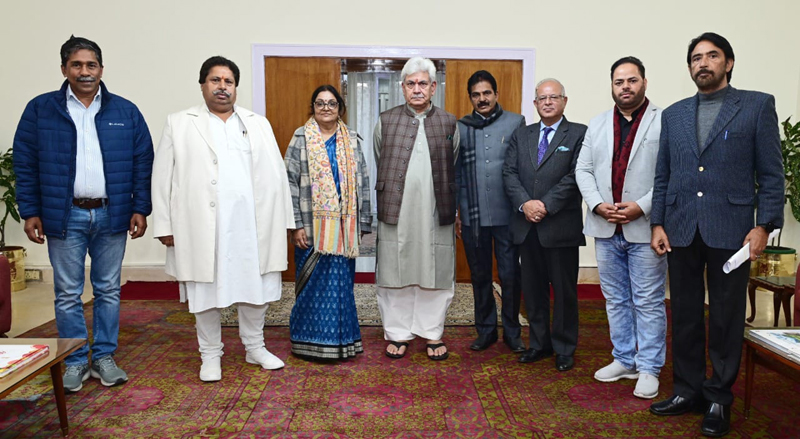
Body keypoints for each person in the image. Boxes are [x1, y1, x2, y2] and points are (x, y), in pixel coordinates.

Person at [649, 33, 784, 437]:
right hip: (681, 228)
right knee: (685, 315)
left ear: (729, 63)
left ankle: (718, 399)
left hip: (733, 231)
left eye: (712, 56)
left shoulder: (757, 105)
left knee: (725, 318)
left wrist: (764, 226)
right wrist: (658, 222)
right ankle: (687, 391)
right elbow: (663, 174)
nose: (703, 63)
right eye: (696, 58)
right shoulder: (674, 114)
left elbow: (772, 174)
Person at [13, 36, 153, 392]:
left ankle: (104, 356)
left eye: (91, 65)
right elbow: (25, 163)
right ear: (64, 69)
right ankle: (75, 359)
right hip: (64, 215)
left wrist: (140, 207)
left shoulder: (126, 112)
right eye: (77, 65)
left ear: (101, 69)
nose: (85, 71)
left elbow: (142, 162)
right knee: (67, 292)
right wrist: (30, 211)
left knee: (108, 289)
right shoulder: (40, 110)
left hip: (112, 214)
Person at [151, 56, 295, 382]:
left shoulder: (257, 123)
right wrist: (164, 225)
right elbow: (162, 177)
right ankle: (210, 354)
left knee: (256, 288)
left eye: (228, 81)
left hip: (251, 226)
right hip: (201, 227)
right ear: (203, 85)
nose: (222, 87)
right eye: (215, 80)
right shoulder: (180, 123)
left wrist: (285, 221)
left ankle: (255, 347)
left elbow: (277, 175)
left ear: (235, 87)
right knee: (204, 291)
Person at [576, 56, 667, 399]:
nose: (625, 87)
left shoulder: (663, 121)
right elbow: (583, 170)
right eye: (619, 81)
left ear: (644, 82)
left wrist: (641, 206)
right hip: (605, 226)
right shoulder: (598, 123)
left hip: (644, 227)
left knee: (647, 301)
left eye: (631, 80)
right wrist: (597, 204)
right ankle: (624, 359)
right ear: (612, 86)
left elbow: (670, 173)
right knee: (615, 299)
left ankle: (649, 367)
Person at [373, 57, 460, 361]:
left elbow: (454, 162)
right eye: (411, 84)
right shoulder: (386, 120)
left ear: (433, 87)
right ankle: (398, 332)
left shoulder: (449, 122)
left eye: (423, 83)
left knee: (435, 271)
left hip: (435, 211)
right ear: (402, 88)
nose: (417, 89)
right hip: (396, 209)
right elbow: (379, 156)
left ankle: (432, 332)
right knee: (394, 271)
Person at [503, 78, 586, 372]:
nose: (548, 102)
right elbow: (509, 173)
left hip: (560, 227)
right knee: (533, 290)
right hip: (527, 227)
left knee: (564, 292)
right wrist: (525, 204)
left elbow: (577, 176)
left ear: (564, 101)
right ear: (535, 103)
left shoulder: (579, 134)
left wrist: (545, 205)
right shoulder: (521, 134)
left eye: (554, 97)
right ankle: (539, 343)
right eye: (542, 98)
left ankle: (564, 347)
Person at [284, 85, 372, 360]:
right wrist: (296, 224)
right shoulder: (300, 138)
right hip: (310, 229)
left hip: (344, 229)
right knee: (311, 287)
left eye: (331, 103)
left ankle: (341, 342)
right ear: (312, 107)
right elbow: (288, 183)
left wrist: (363, 222)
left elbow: (363, 181)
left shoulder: (352, 139)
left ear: (340, 109)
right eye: (320, 103)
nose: (326, 108)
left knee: (341, 286)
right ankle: (307, 341)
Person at [455, 70, 526, 353]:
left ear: (496, 94)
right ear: (470, 98)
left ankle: (512, 331)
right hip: (473, 215)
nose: (482, 99)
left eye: (486, 93)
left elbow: (522, 167)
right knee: (480, 274)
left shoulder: (516, 122)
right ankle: (485, 331)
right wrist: (458, 212)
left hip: (508, 214)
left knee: (510, 275)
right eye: (476, 95)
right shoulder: (461, 127)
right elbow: (457, 173)